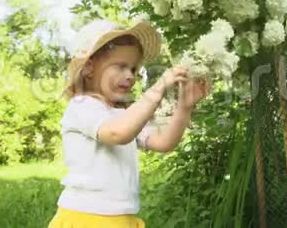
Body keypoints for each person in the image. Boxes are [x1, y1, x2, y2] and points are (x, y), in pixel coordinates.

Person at [48, 19, 208, 228]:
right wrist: (159, 88)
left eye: (133, 69)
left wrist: (184, 107)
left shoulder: (123, 114)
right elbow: (117, 133)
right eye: (121, 66)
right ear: (89, 68)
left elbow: (163, 142)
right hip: (86, 217)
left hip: (121, 218)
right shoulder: (81, 106)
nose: (130, 76)